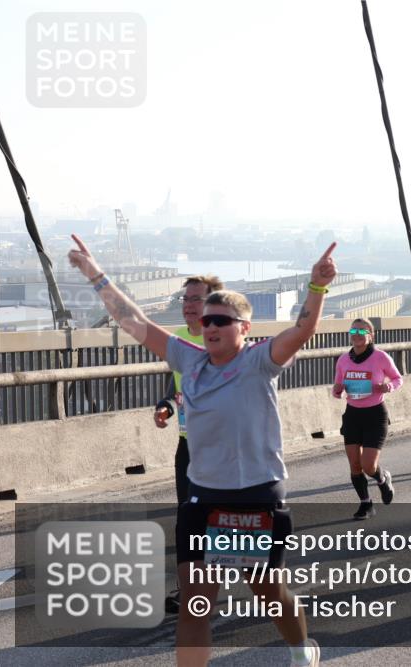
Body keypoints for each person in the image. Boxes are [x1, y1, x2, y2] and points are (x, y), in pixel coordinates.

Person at [68, 234, 335, 667]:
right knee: (196, 600)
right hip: (203, 496)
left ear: (244, 329)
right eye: (207, 320)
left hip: (256, 494)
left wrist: (317, 286)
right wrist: (93, 272)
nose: (210, 327)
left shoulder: (260, 361)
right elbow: (132, 320)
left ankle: (301, 649)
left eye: (221, 321)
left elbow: (303, 329)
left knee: (267, 590)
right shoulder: (188, 360)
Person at [153, 274, 224, 613]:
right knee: (187, 518)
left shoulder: (225, 339)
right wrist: (166, 406)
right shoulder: (178, 339)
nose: (188, 305)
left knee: (223, 520)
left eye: (196, 299)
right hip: (189, 444)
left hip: (223, 448)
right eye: (185, 299)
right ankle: (190, 590)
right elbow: (176, 386)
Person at [332, 318, 402, 519]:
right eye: (353, 330)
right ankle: (366, 504)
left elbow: (398, 378)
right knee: (355, 465)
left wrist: (388, 387)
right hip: (352, 415)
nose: (357, 334)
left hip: (375, 415)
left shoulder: (380, 357)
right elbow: (337, 389)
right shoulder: (343, 360)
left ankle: (382, 479)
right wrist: (337, 390)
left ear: (371, 336)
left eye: (362, 331)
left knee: (368, 465)